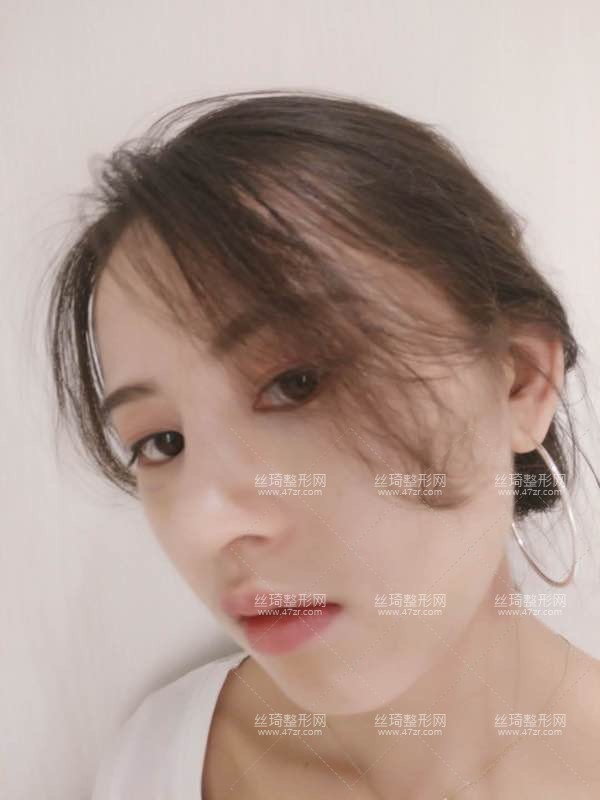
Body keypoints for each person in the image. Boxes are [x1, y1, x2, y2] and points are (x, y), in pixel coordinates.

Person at [44, 89, 600, 798]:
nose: (203, 525)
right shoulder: (154, 762)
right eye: (161, 442)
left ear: (520, 382)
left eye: (296, 383)